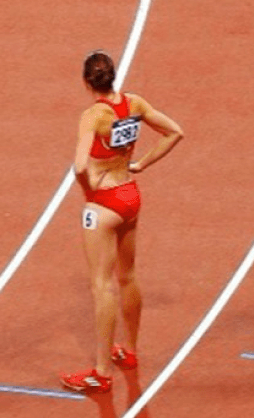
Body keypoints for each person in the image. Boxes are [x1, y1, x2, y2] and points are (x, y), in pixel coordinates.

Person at [60, 51, 184, 393]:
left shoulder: (92, 116)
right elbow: (175, 132)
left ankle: (100, 373)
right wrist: (142, 164)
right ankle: (129, 351)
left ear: (87, 82)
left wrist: (89, 194)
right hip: (130, 194)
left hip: (104, 203)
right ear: (114, 77)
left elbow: (81, 166)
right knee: (127, 276)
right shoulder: (134, 104)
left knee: (102, 286)